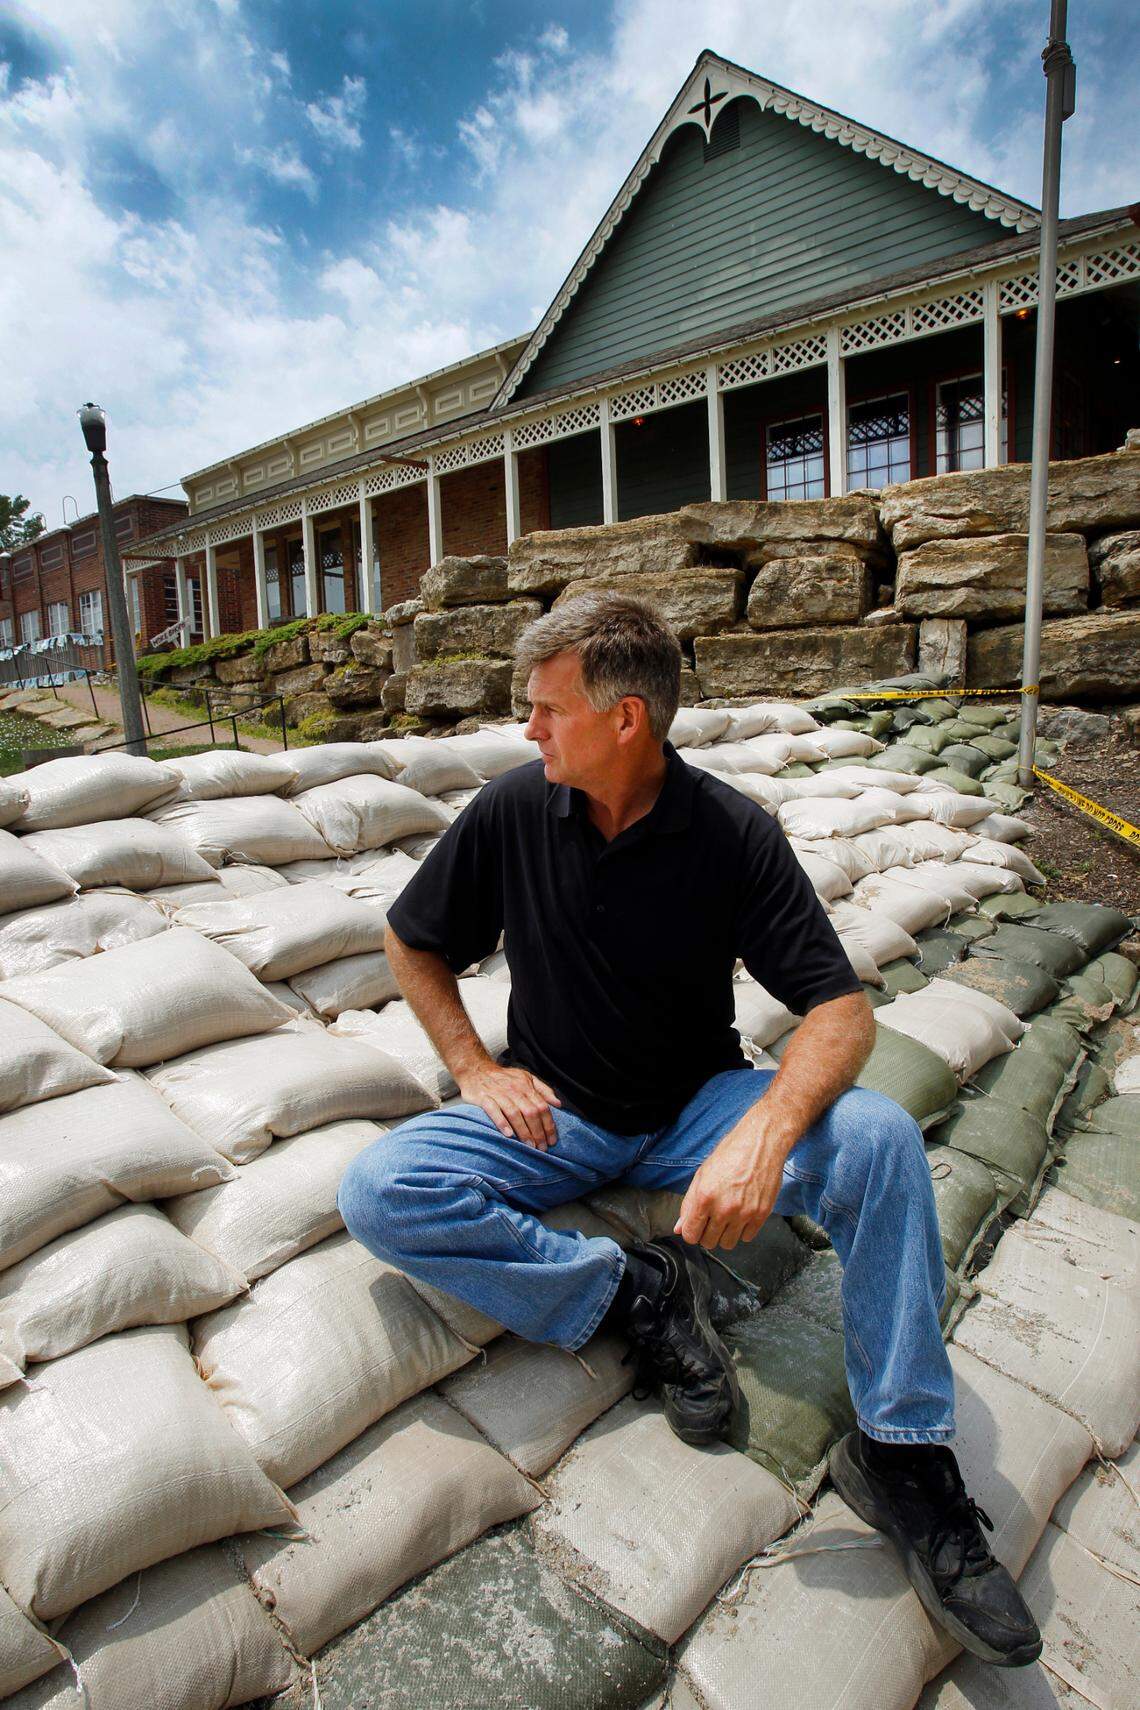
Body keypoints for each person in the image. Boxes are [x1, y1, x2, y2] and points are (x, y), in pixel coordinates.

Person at [339, 591, 1041, 1669]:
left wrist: (763, 1135)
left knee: (881, 1142)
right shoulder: (512, 810)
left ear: (626, 720)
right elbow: (410, 940)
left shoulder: (729, 833)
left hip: (695, 1109)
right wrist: (476, 1069)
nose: (528, 730)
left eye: (546, 711)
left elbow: (841, 1010)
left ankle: (902, 1455)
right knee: (379, 1193)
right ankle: (632, 1292)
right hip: (555, 1114)